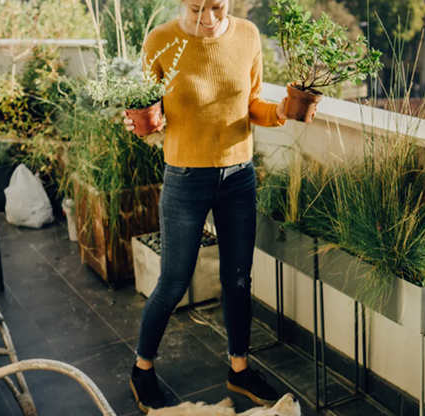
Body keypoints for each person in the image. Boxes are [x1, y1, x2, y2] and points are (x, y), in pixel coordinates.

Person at [123, 0, 315, 411]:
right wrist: (137, 124)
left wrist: (281, 111)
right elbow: (145, 109)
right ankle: (142, 368)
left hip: (238, 177)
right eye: (196, 9)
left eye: (217, 7)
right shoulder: (160, 41)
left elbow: (253, 104)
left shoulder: (247, 35)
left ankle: (240, 369)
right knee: (173, 282)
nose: (207, 19)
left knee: (239, 280)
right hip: (185, 178)